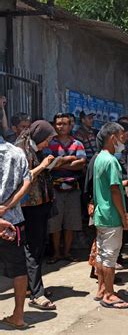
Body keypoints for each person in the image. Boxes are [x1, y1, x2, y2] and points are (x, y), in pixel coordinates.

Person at [15, 120, 58, 310]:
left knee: (39, 246)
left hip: (41, 203)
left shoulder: (34, 147)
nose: (48, 144)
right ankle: (36, 294)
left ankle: (34, 287)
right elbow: (23, 178)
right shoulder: (21, 150)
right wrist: (43, 165)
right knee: (32, 248)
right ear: (39, 136)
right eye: (47, 139)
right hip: (28, 206)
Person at [93, 122, 128, 309]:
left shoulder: (99, 158)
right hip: (111, 216)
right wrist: (124, 215)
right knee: (109, 257)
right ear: (112, 138)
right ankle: (108, 294)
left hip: (101, 214)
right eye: (121, 135)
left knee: (102, 255)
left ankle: (102, 289)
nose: (124, 139)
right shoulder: (111, 161)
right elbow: (114, 190)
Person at [0, 112, 32, 330]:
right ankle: (19, 315)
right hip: (13, 221)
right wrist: (8, 206)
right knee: (19, 269)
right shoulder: (17, 152)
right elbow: (27, 183)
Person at [45, 114, 87, 263]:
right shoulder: (50, 143)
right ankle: (56, 253)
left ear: (71, 126)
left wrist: (59, 163)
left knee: (71, 222)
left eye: (64, 124)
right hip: (54, 187)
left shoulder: (78, 143)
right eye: (58, 124)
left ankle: (67, 253)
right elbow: (48, 165)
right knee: (55, 223)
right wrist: (69, 159)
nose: (61, 126)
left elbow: (82, 163)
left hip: (73, 188)